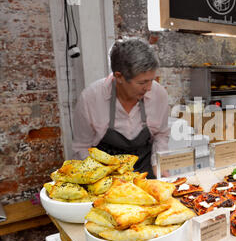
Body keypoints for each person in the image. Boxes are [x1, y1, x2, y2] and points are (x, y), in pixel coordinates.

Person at [72, 37, 170, 178]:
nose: (149, 88)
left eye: (151, 80)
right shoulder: (90, 98)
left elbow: (161, 134)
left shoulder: (158, 94)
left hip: (145, 175)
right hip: (106, 178)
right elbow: (81, 147)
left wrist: (160, 166)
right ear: (119, 77)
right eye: (142, 82)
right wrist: (98, 177)